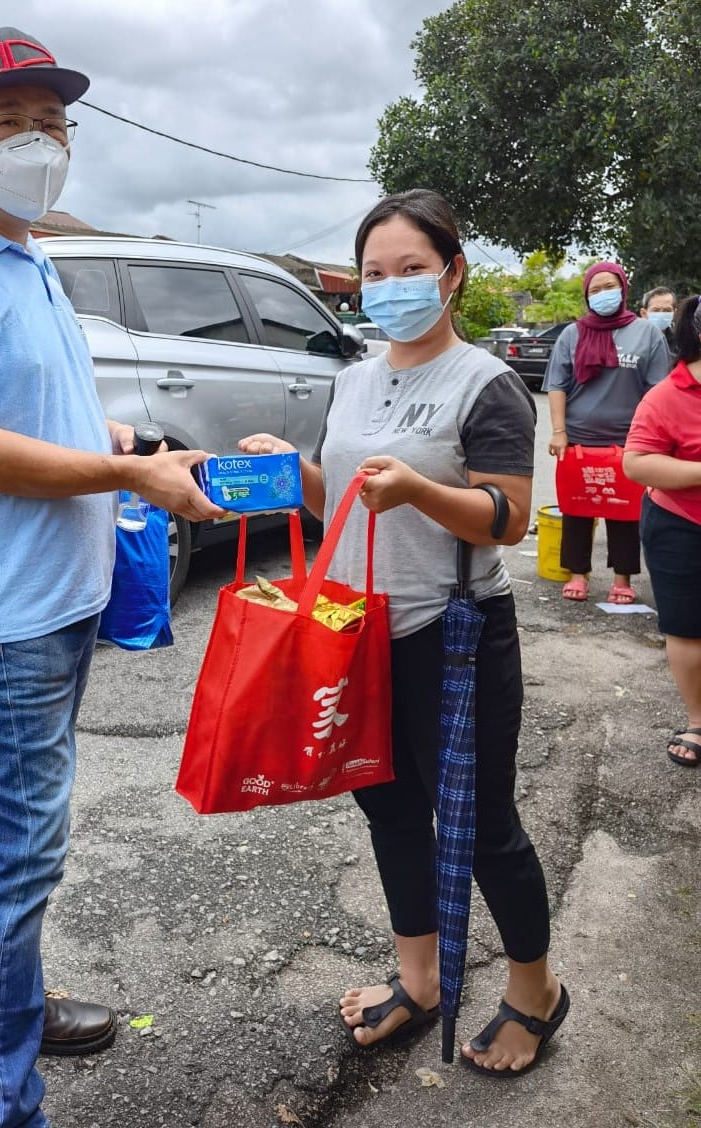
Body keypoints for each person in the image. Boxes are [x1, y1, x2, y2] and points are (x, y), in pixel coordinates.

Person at [0, 26, 222, 1128]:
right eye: (8, 123)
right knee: (19, 856)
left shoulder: (27, 258)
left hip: (58, 602)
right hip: (6, 617)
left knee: (23, 848)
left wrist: (133, 445)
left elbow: (37, 413)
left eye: (54, 124)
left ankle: (6, 1007)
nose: (38, 143)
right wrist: (125, 472)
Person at [240, 189, 568, 1074]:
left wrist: (420, 489)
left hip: (452, 633)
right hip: (356, 632)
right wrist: (290, 471)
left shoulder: (485, 383)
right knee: (388, 809)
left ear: (452, 274)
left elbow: (507, 518)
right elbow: (336, 498)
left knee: (482, 825)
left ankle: (536, 991)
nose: (391, 289)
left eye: (411, 270)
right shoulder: (351, 378)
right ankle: (418, 981)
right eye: (376, 275)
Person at [543, 262, 669, 603]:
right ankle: (577, 573)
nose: (602, 295)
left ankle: (622, 579)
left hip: (630, 442)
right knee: (577, 509)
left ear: (624, 289)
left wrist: (655, 442)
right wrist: (558, 431)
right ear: (586, 294)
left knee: (625, 512)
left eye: (609, 287)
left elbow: (658, 392)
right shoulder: (573, 334)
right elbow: (556, 385)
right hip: (579, 439)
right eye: (594, 290)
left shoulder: (647, 334)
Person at [624, 296, 701, 767]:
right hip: (682, 523)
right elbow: (637, 462)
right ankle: (698, 719)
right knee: (688, 627)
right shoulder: (669, 394)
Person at [640, 286, 678, 360]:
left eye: (667, 310)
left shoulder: (680, 342)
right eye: (656, 310)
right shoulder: (634, 338)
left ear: (675, 314)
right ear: (643, 313)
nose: (661, 314)